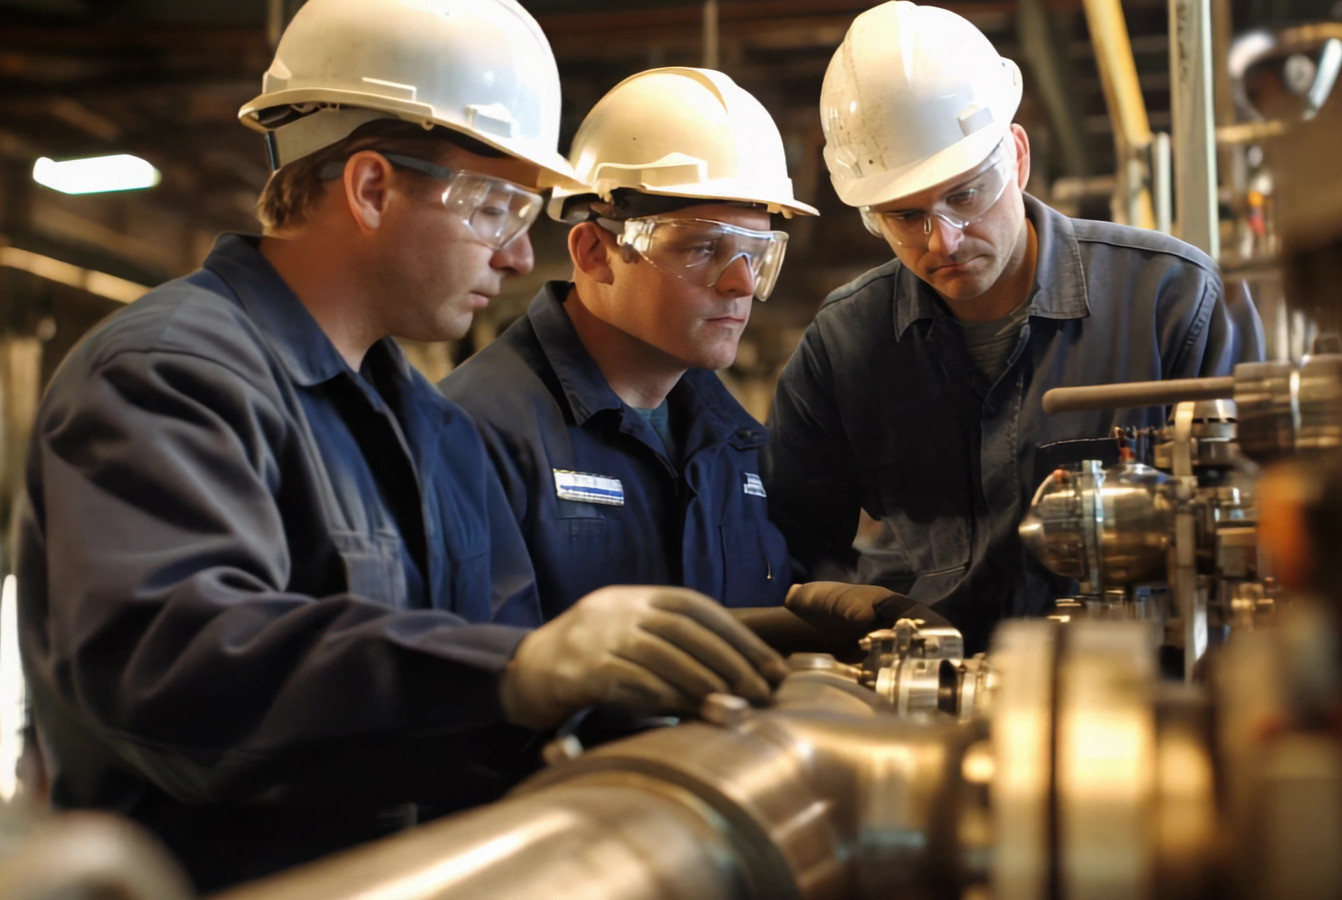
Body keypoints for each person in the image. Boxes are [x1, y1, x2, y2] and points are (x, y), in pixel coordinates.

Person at [14, 1, 784, 891]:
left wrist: (726, 646)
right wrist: (521, 669)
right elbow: (176, 671)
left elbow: (494, 702)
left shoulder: (433, 429)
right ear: (371, 188)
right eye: (496, 206)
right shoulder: (166, 379)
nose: (519, 259)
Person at [764, 1, 1265, 653]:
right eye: (904, 216)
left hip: (1140, 702)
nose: (941, 239)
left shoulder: (1172, 301)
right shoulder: (843, 347)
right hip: (924, 710)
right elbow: (789, 551)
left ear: (1018, 158)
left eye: (965, 195)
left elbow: (1263, 533)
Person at [441, 67, 815, 617]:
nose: (742, 283)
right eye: (702, 248)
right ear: (594, 251)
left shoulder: (736, 444)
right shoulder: (474, 435)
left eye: (756, 255)